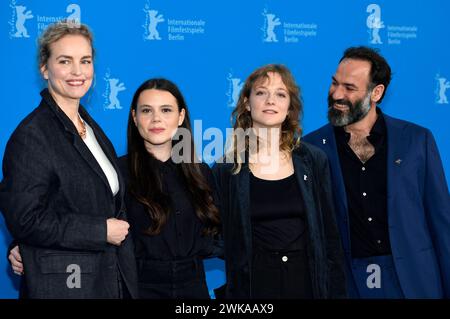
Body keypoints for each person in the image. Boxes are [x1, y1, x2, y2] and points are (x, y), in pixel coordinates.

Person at [0, 21, 138, 298]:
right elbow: (26, 219)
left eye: (85, 61)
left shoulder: (91, 128)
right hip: (67, 286)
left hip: (107, 280)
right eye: (65, 61)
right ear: (44, 68)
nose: (78, 72)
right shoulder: (33, 135)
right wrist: (99, 230)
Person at [303, 46, 450, 298]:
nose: (336, 94)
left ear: (376, 93)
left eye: (349, 88)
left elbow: (441, 222)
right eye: (334, 83)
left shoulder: (417, 140)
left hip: (412, 278)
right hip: (345, 281)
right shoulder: (311, 148)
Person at [213, 64, 347, 299]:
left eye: (280, 94)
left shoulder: (313, 160)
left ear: (289, 107)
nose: (271, 101)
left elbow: (330, 238)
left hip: (307, 284)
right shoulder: (227, 169)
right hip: (254, 287)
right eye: (261, 92)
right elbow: (214, 234)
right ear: (247, 102)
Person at [119, 78, 221, 298]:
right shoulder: (117, 173)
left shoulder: (201, 173)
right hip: (139, 288)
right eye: (147, 110)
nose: (156, 118)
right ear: (135, 117)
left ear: (181, 116)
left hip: (194, 289)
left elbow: (225, 233)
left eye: (166, 110)